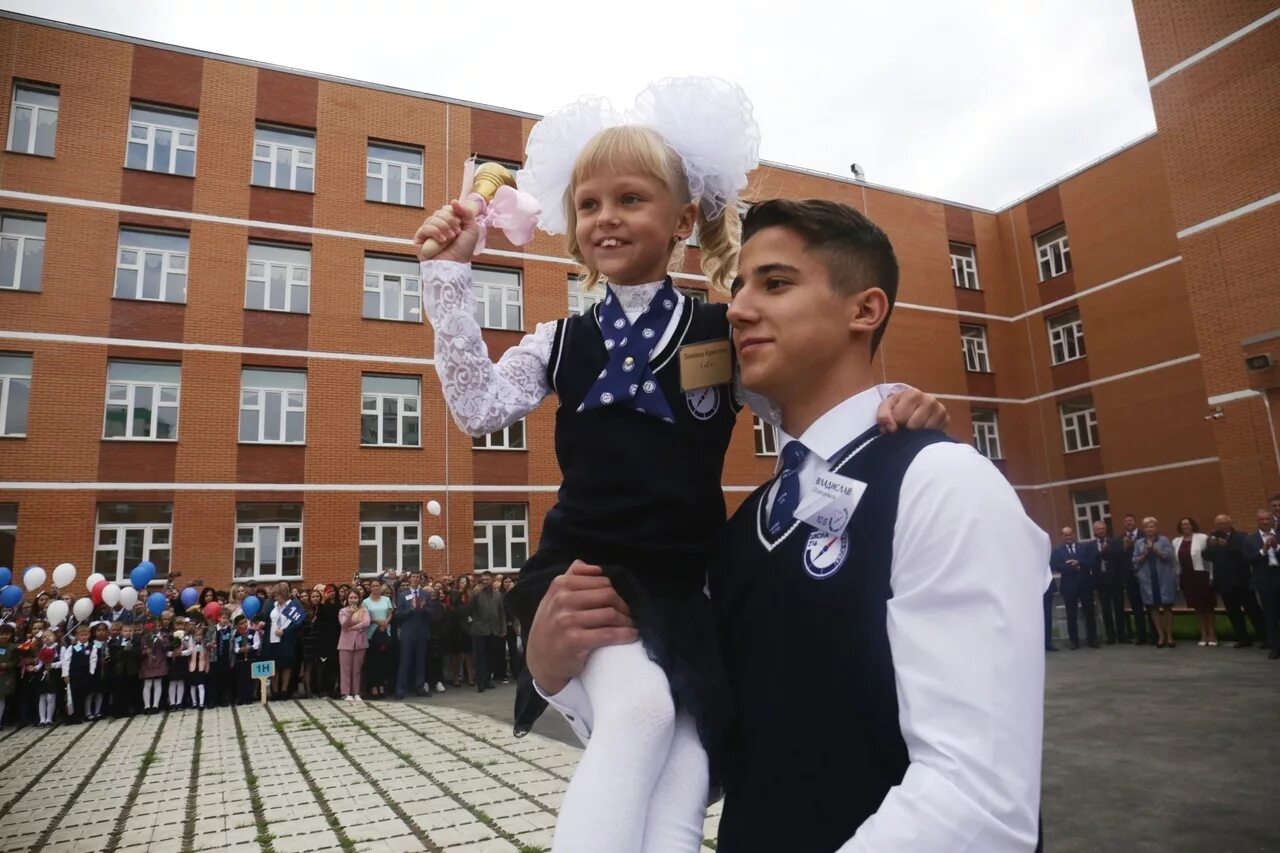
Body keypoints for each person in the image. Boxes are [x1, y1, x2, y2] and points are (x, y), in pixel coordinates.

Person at [414, 80, 945, 853]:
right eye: (589, 203)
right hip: (584, 576)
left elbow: (805, 408)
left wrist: (894, 402)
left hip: (687, 591)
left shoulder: (724, 330)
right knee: (642, 715)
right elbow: (476, 407)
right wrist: (449, 277)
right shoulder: (556, 340)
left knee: (691, 768)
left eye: (630, 198)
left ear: (683, 219)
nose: (606, 217)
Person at [528, 198, 1045, 851]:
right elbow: (699, 754)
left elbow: (978, 799)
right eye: (739, 285)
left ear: (865, 309)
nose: (739, 308)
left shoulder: (942, 484)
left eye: (775, 283)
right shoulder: (743, 531)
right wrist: (558, 673)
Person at [1204, 514, 1267, 647]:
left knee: (1252, 610)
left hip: (1241, 580)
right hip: (1224, 581)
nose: (1220, 526)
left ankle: (1264, 637)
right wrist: (1209, 546)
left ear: (1229, 523)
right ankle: (1242, 638)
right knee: (1233, 612)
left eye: (1222, 523)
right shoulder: (1213, 539)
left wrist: (1227, 546)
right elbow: (1207, 556)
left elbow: (1245, 555)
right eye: (1218, 524)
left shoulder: (1242, 536)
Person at [1050, 527, 1099, 649]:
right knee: (1071, 614)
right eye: (1065, 535)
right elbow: (1056, 566)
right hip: (1069, 585)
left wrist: (1079, 564)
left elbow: (1091, 562)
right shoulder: (1058, 551)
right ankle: (1074, 641)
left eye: (1070, 534)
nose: (1068, 537)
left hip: (1085, 584)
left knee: (1089, 612)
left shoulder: (1084, 547)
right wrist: (1073, 567)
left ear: (1074, 535)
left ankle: (1092, 639)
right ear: (1062, 537)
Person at [1134, 517, 1177, 648]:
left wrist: (1157, 551)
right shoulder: (1139, 542)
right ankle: (1160, 636)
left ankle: (1170, 635)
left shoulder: (1163, 540)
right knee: (1153, 607)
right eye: (1146, 527)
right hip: (1147, 578)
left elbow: (1170, 556)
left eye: (1151, 527)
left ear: (1156, 528)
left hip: (1163, 577)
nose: (1149, 529)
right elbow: (1135, 560)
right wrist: (1145, 554)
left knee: (1167, 606)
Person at [1172, 517, 1216, 646]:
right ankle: (1203, 634)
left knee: (1208, 607)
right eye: (1183, 524)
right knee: (1198, 607)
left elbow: (1210, 557)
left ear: (1192, 525)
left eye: (1187, 524)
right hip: (1187, 576)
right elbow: (1175, 562)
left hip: (1202, 575)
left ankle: (1212, 634)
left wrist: (1211, 576)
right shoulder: (1176, 541)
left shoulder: (1202, 538)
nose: (1185, 526)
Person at [1244, 509, 1280, 659]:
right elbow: (1247, 559)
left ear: (1272, 520)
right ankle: (1276, 646)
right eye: (1261, 519)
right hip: (1265, 580)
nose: (1265, 522)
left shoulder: (1278, 535)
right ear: (1257, 522)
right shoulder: (1250, 539)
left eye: (1267, 519)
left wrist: (1277, 547)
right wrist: (1262, 551)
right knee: (1270, 615)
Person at [394, 570, 433, 699]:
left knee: (420, 661)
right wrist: (410, 609)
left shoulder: (425, 594)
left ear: (420, 579)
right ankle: (400, 690)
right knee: (405, 662)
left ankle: (420, 687)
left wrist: (424, 608)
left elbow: (432, 613)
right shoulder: (403, 595)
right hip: (408, 633)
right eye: (414, 577)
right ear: (409, 579)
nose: (415, 579)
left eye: (418, 577)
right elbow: (398, 615)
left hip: (422, 633)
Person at [1090, 521, 1127, 644]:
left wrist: (1108, 551)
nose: (1101, 531)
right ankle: (1110, 636)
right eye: (1098, 529)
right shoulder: (1090, 545)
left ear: (1106, 530)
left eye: (1103, 528)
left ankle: (1122, 635)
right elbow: (1091, 560)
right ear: (1094, 531)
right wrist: (1102, 552)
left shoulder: (1115, 542)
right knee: (1106, 610)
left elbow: (1120, 557)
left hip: (1115, 580)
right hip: (1101, 581)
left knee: (1119, 608)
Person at [469, 574, 506, 693]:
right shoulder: (476, 593)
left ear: (492, 581)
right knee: (480, 657)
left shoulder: (498, 595)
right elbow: (469, 608)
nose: (485, 581)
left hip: (494, 629)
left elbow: (502, 613)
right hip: (480, 630)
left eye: (487, 579)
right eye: (483, 580)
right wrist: (474, 595)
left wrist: (503, 628)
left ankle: (487, 679)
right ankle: (480, 682)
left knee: (491, 656)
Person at [1117, 513, 1150, 645]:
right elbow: (1118, 558)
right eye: (1126, 521)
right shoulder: (1120, 539)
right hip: (1130, 577)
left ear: (1135, 522)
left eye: (1130, 520)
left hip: (1145, 575)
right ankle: (1141, 636)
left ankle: (1155, 634)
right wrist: (1125, 548)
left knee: (1150, 605)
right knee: (1136, 607)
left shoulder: (1144, 535)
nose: (1128, 523)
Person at [362, 580, 394, 698]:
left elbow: (390, 613)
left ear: (380, 587)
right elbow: (364, 617)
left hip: (385, 632)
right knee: (372, 662)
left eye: (377, 586)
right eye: (373, 586)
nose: (375, 588)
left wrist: (386, 621)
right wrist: (376, 621)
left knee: (383, 662)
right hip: (371, 634)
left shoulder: (386, 600)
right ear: (370, 588)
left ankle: (381, 685)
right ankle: (373, 686)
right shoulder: (365, 602)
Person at [338, 590, 370, 702]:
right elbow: (344, 624)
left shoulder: (364, 610)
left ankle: (356, 692)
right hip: (345, 644)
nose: (353, 600)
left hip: (360, 643)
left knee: (357, 670)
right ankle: (346, 693)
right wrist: (350, 614)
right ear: (347, 599)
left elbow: (366, 623)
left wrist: (353, 627)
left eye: (355, 598)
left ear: (359, 598)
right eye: (351, 598)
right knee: (345, 669)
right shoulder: (343, 611)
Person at [0, 623, 16, 727]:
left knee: (1, 699)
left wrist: (6, 665)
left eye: (7, 634)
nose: (4, 636)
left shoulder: (13, 647)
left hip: (6, 676)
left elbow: (16, 661)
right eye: (2, 634)